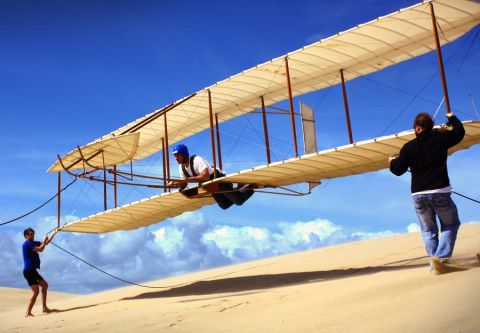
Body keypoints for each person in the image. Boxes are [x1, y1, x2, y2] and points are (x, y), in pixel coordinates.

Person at [389, 112, 465, 268]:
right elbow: (459, 132)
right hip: (439, 191)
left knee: (428, 230)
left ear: (417, 128)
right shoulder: (440, 139)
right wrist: (451, 118)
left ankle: (436, 260)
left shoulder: (408, 147)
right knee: (450, 224)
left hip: (418, 195)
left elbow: (397, 170)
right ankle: (440, 259)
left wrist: (392, 162)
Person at [167, 144, 254, 209]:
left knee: (239, 201)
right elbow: (184, 184)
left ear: (184, 154)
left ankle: (251, 187)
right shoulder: (181, 168)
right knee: (224, 205)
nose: (176, 158)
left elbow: (205, 176)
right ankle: (238, 190)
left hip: (219, 180)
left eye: (178, 155)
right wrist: (176, 184)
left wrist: (186, 179)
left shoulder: (196, 160)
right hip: (209, 185)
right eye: (175, 156)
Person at [22, 227, 58, 318]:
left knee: (45, 285)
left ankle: (44, 308)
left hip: (32, 270)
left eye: (33, 233)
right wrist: (44, 240)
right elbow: (41, 249)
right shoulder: (27, 244)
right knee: (36, 292)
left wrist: (53, 233)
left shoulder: (32, 243)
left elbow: (45, 243)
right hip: (29, 271)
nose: (33, 235)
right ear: (26, 236)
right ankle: (28, 312)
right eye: (30, 234)